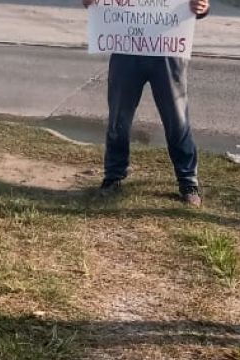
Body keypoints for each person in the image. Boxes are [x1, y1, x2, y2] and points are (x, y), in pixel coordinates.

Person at [82, 0, 211, 206]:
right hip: (126, 50)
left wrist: (202, 8)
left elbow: (198, 4)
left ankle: (188, 181)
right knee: (119, 118)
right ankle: (113, 176)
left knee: (177, 120)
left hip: (168, 50)